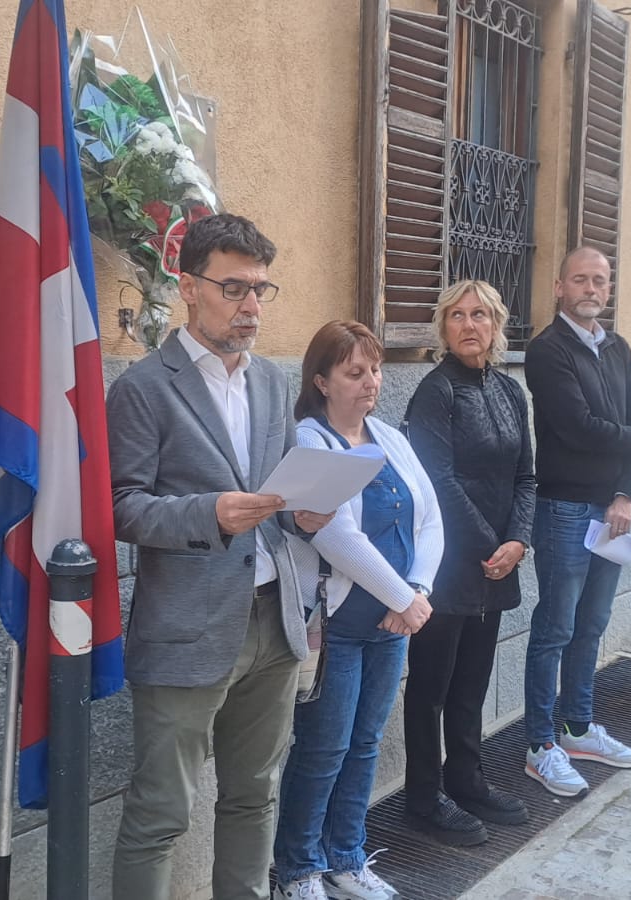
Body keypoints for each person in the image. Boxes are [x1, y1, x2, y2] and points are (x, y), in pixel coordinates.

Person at [108, 214, 333, 900]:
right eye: (234, 288)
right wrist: (208, 514)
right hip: (187, 628)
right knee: (160, 812)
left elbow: (279, 490)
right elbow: (120, 507)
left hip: (273, 622)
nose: (251, 306)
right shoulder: (144, 387)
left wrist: (303, 512)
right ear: (189, 288)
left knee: (255, 795)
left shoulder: (270, 382)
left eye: (261, 289)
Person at [272, 321, 444, 900]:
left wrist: (416, 590)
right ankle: (298, 870)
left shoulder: (388, 436)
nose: (371, 381)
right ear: (322, 381)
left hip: (393, 621)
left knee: (366, 743)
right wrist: (406, 600)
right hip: (338, 626)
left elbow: (431, 518)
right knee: (323, 750)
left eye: (374, 369)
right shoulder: (310, 441)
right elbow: (335, 536)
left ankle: (346, 857)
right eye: (355, 372)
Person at [402, 279, 536, 847]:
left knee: (472, 681)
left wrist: (518, 541)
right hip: (447, 566)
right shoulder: (435, 393)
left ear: (496, 324)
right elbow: (438, 481)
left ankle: (466, 779)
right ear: (443, 327)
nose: (468, 325)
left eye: (479, 314)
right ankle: (423, 795)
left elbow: (526, 476)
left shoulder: (509, 392)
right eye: (456, 316)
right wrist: (491, 546)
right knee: (430, 685)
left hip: (497, 563)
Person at [520, 247, 631, 798]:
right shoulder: (546, 351)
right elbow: (579, 428)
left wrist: (625, 495)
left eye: (600, 280)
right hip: (565, 510)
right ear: (559, 287)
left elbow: (630, 429)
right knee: (555, 627)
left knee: (592, 624)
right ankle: (539, 745)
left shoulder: (618, 349)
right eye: (580, 279)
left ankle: (577, 730)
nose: (591, 289)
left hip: (612, 513)